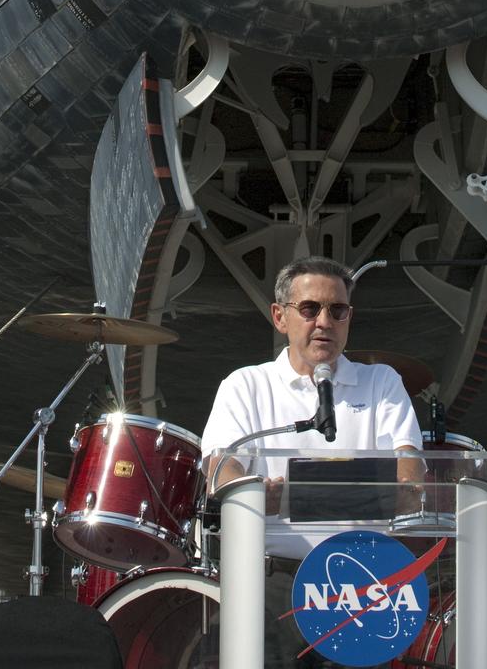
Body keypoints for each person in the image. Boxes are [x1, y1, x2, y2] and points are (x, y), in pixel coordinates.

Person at [200, 256, 423, 667]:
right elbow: (220, 465)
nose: (324, 321)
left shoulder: (383, 383)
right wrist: (248, 493)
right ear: (279, 317)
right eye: (310, 309)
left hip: (363, 583)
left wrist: (406, 487)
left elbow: (411, 472)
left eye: (337, 310)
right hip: (274, 582)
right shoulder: (246, 384)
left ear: (349, 318)